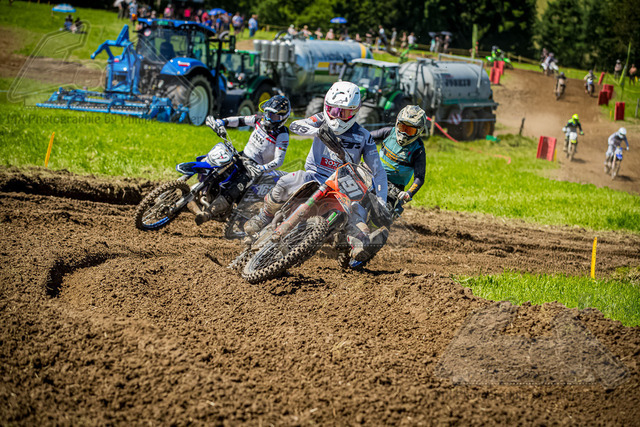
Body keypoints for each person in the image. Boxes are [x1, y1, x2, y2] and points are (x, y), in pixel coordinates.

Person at [244, 81, 389, 261]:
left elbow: (378, 171)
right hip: (313, 176)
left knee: (357, 212)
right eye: (333, 110)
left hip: (342, 187)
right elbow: (296, 125)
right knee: (284, 182)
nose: (336, 117)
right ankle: (264, 216)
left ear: (354, 111)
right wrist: (318, 131)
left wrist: (381, 202)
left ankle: (359, 245)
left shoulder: (363, 136)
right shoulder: (321, 119)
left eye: (343, 113)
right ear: (326, 107)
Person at [199, 95, 292, 225]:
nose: (268, 118)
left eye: (273, 116)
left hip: (255, 169)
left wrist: (262, 168)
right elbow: (240, 120)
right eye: (267, 113)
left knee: (236, 187)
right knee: (218, 166)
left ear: (282, 118)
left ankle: (209, 213)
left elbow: (279, 160)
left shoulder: (282, 134)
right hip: (242, 156)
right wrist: (222, 122)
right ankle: (202, 190)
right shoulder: (259, 119)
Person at [371, 105, 428, 213]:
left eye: (410, 130)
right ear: (397, 123)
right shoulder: (388, 132)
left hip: (394, 187)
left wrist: (408, 193)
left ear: (419, 131)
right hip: (372, 174)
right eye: (402, 127)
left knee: (384, 214)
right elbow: (366, 137)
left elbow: (419, 178)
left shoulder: (418, 149)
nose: (404, 133)